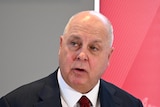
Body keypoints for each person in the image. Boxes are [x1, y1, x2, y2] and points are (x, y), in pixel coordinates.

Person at [0, 10, 143, 107]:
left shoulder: (130, 104)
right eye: (74, 44)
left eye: (93, 48)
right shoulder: (13, 104)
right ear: (61, 46)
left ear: (108, 56)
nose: (81, 55)